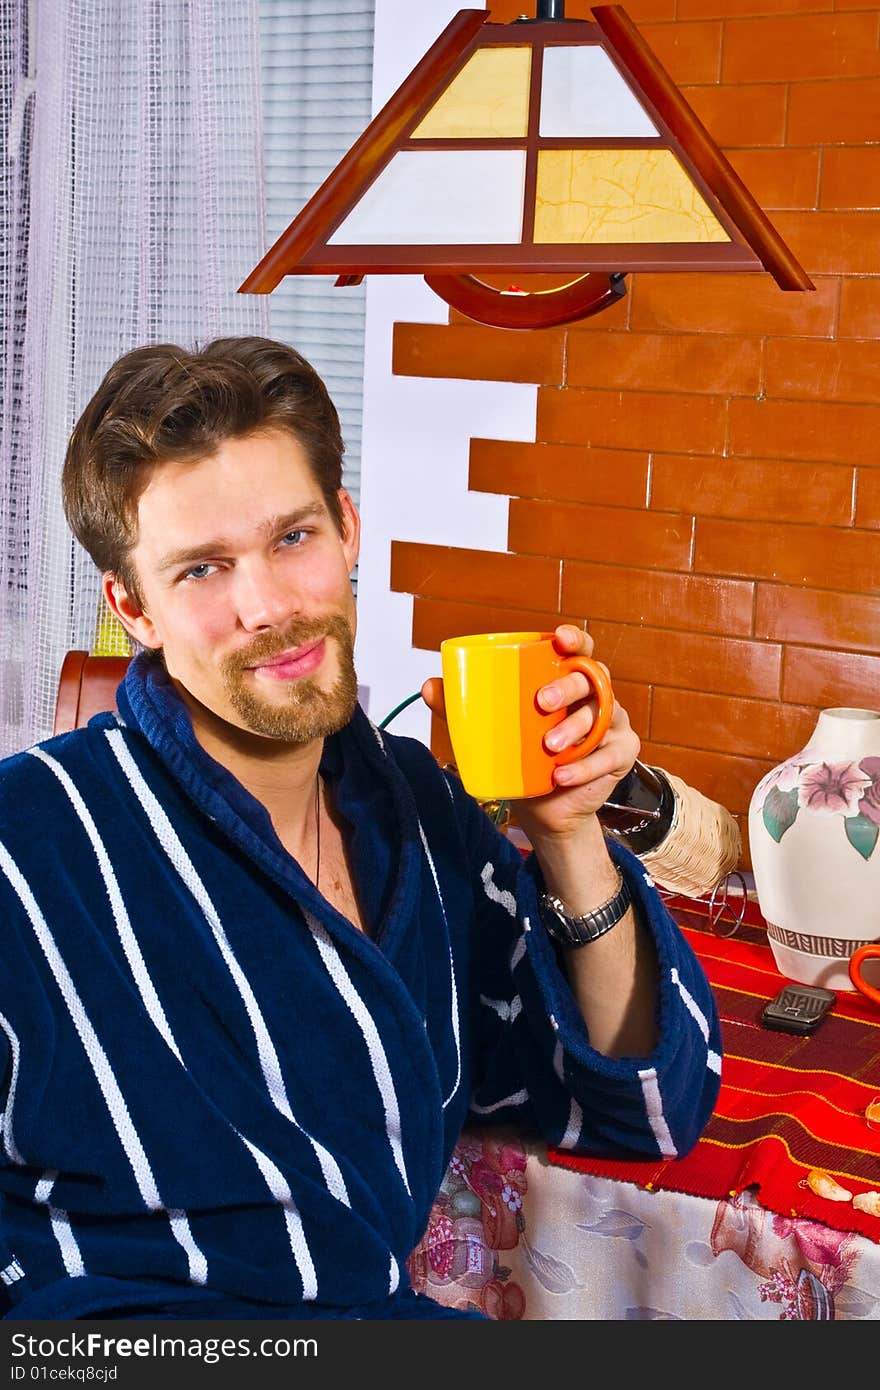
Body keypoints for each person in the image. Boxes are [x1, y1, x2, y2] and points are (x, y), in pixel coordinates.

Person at [0, 337, 722, 1321]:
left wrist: (566, 833)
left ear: (346, 530)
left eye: (292, 539)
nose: (268, 607)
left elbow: (645, 1107)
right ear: (135, 609)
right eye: (204, 569)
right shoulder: (27, 841)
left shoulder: (419, 815)